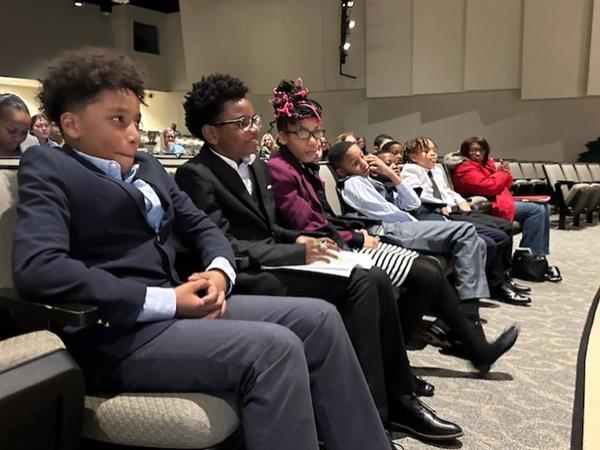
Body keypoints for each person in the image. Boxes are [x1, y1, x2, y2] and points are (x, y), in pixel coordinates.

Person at [11, 48, 395, 450]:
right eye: (117, 120)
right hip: (117, 333)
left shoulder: (148, 166)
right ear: (71, 124)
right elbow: (39, 268)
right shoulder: (49, 166)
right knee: (276, 349)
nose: (133, 133)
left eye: (136, 121)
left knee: (320, 319)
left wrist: (218, 272)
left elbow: (204, 227)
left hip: (180, 308)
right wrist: (166, 301)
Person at [175, 73, 466, 443]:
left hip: (274, 258)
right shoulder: (196, 175)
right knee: (360, 284)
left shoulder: (255, 167)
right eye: (242, 123)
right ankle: (374, 414)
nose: (253, 129)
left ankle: (400, 396)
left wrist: (297, 238)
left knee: (371, 275)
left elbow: (266, 228)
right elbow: (224, 246)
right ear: (211, 133)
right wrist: (297, 249)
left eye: (254, 120)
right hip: (242, 274)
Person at [266, 78, 517, 363]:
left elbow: (325, 218)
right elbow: (309, 227)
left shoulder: (301, 165)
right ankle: (445, 349)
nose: (313, 141)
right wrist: (359, 237)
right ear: (282, 136)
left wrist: (358, 226)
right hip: (326, 249)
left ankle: (449, 346)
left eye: (316, 132)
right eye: (302, 133)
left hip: (347, 236)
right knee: (428, 273)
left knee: (432, 267)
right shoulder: (282, 169)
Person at [401, 137, 531, 304]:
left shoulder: (437, 170)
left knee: (504, 229)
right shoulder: (411, 170)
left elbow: (446, 191)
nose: (433, 154)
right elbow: (417, 196)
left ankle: (502, 278)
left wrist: (460, 200)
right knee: (490, 241)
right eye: (426, 152)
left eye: (434, 150)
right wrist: (440, 204)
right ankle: (494, 284)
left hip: (453, 208)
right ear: (413, 157)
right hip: (437, 212)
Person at [450, 137, 551, 257]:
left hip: (497, 200)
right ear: (466, 151)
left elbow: (504, 186)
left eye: (481, 150)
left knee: (545, 207)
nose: (477, 153)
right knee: (536, 210)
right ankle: (530, 257)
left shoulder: (484, 166)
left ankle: (538, 254)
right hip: (484, 207)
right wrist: (502, 173)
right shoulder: (465, 168)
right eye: (473, 150)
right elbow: (490, 187)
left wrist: (503, 173)